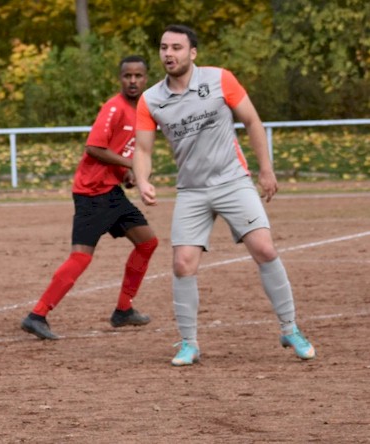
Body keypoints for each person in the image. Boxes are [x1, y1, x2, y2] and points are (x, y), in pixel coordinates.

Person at [132, 24, 315, 366]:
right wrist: (142, 180)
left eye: (176, 47)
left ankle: (290, 329)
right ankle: (189, 344)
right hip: (191, 190)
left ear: (192, 53)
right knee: (182, 264)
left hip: (232, 181)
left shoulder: (220, 79)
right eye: (163, 48)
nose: (168, 54)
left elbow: (252, 121)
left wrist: (266, 170)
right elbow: (142, 149)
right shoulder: (151, 99)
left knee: (264, 248)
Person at [20, 55, 159, 340]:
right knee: (81, 257)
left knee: (147, 243)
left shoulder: (143, 111)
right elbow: (94, 147)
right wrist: (130, 165)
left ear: (147, 78)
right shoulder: (114, 107)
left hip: (112, 192)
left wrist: (127, 175)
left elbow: (125, 153)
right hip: (92, 193)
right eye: (127, 76)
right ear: (120, 79)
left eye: (138, 76)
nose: (132, 81)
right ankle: (37, 314)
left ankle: (123, 311)